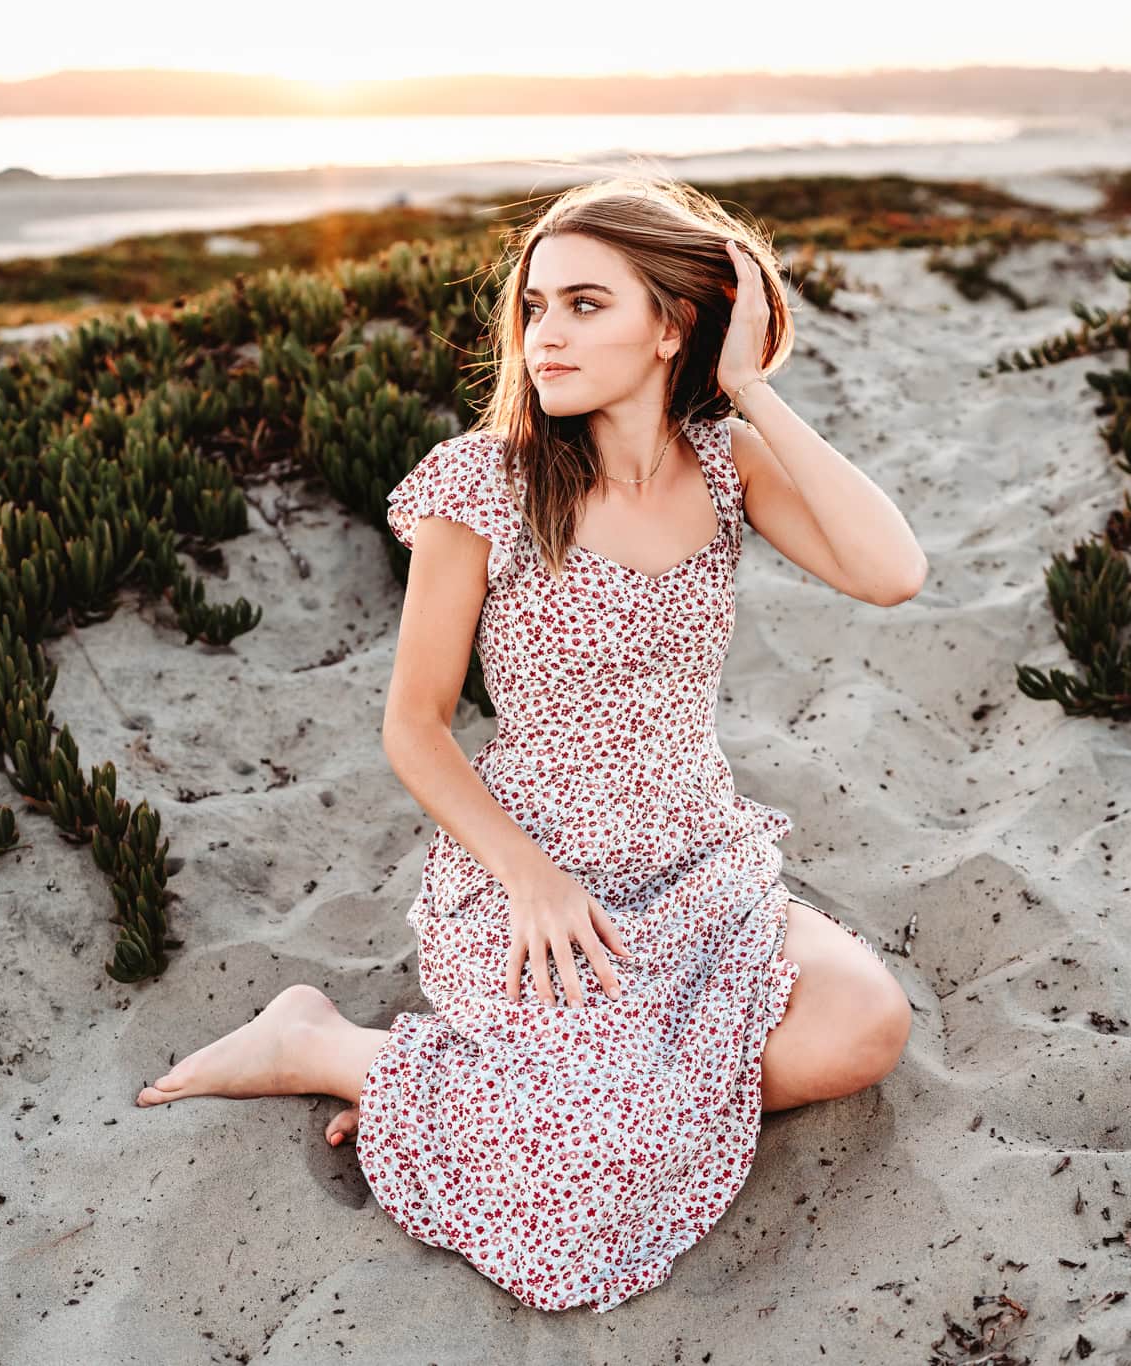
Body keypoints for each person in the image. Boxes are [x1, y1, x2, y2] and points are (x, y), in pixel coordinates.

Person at [136, 174, 925, 1312]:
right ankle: (321, 1045)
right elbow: (414, 728)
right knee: (592, 1161)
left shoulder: (726, 464)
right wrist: (532, 878)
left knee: (865, 1027)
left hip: (700, 861)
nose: (543, 333)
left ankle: (516, 1095)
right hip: (532, 886)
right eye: (534, 306)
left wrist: (751, 386)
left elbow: (893, 573)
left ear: (671, 326)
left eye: (585, 305)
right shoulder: (483, 484)